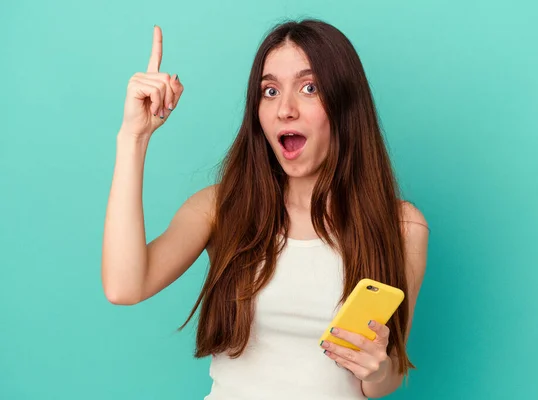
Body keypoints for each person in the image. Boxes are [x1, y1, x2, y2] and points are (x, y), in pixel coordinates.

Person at [101, 19, 429, 400]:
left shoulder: (401, 226)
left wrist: (378, 367)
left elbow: (385, 381)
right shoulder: (220, 208)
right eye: (270, 91)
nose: (284, 109)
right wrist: (133, 137)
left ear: (345, 104)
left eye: (309, 88)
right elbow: (124, 287)